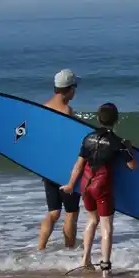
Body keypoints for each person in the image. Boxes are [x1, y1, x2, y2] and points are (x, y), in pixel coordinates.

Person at [60, 103, 137, 273]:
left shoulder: (87, 138)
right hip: (102, 186)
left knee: (92, 220)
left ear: (98, 118)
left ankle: (85, 260)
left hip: (86, 185)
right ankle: (105, 266)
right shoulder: (117, 142)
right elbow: (132, 166)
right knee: (106, 227)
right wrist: (128, 148)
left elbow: (79, 165)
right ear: (116, 119)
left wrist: (71, 185)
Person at [39, 69, 81, 250]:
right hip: (65, 169)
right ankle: (69, 251)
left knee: (53, 212)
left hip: (47, 167)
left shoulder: (43, 107)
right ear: (69, 89)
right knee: (71, 212)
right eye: (74, 88)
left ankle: (40, 248)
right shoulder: (66, 111)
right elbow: (69, 141)